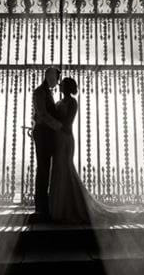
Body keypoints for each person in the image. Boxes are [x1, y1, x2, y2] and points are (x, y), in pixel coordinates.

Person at [48, 76, 111, 224]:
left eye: (62, 84)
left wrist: (53, 123)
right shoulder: (59, 102)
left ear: (68, 87)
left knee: (66, 169)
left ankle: (72, 207)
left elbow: (68, 121)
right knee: (58, 170)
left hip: (66, 139)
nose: (60, 85)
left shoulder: (72, 102)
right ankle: (60, 208)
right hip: (58, 139)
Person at [31, 67, 62, 220]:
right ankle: (40, 207)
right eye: (57, 78)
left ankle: (44, 206)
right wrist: (59, 126)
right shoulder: (39, 92)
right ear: (50, 77)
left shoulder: (46, 92)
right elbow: (42, 114)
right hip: (43, 134)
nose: (58, 81)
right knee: (43, 169)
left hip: (47, 134)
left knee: (45, 169)